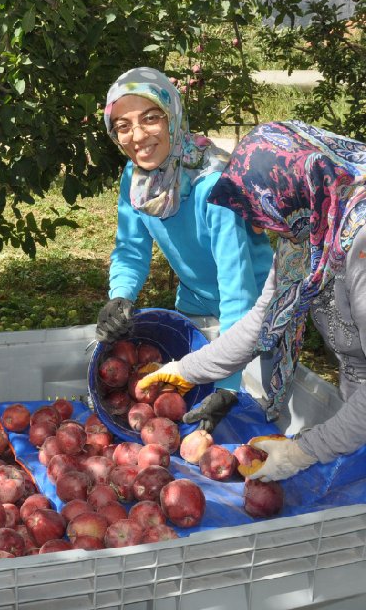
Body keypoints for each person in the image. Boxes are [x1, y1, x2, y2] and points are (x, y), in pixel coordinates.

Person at [138, 120, 366, 482]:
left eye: (263, 212)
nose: (262, 229)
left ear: (287, 188)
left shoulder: (359, 243)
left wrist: (305, 451)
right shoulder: (308, 226)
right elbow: (263, 320)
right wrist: (186, 369)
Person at [95, 67, 273, 393]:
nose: (137, 136)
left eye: (151, 118)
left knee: (247, 406)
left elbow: (239, 294)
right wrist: (120, 295)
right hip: (195, 305)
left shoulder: (215, 185)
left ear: (172, 115)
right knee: (182, 396)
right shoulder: (136, 179)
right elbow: (131, 248)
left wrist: (229, 389)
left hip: (256, 313)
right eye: (123, 126)